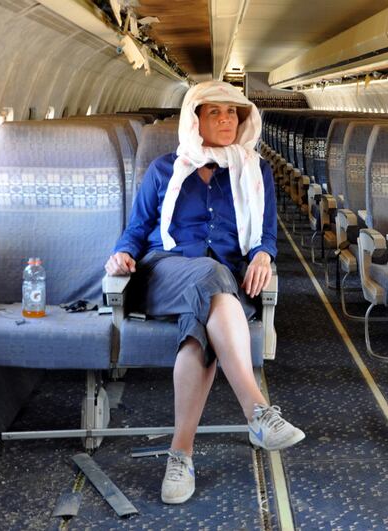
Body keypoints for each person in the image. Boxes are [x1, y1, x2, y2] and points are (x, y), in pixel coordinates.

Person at [105, 81, 304, 504]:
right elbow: (137, 229)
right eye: (215, 112)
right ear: (194, 120)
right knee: (210, 278)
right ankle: (257, 410)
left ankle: (181, 454)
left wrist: (264, 256)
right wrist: (121, 254)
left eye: (233, 113)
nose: (226, 120)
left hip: (228, 281)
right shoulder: (165, 169)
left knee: (203, 327)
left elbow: (265, 234)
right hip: (165, 274)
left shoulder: (257, 171)